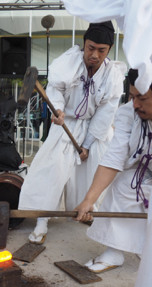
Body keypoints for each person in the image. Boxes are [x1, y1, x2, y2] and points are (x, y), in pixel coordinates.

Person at [18, 21, 126, 244]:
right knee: (53, 170)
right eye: (90, 47)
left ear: (109, 50)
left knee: (94, 170)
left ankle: (85, 211)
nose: (94, 55)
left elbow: (105, 114)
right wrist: (56, 109)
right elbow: (55, 89)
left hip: (95, 130)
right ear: (84, 44)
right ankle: (42, 221)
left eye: (101, 50)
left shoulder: (113, 76)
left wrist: (86, 144)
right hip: (64, 123)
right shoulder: (69, 63)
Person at [74, 68, 151, 274]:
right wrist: (89, 200)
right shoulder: (128, 113)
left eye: (142, 98)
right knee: (123, 184)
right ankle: (115, 251)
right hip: (142, 170)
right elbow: (114, 158)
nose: (135, 104)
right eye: (132, 96)